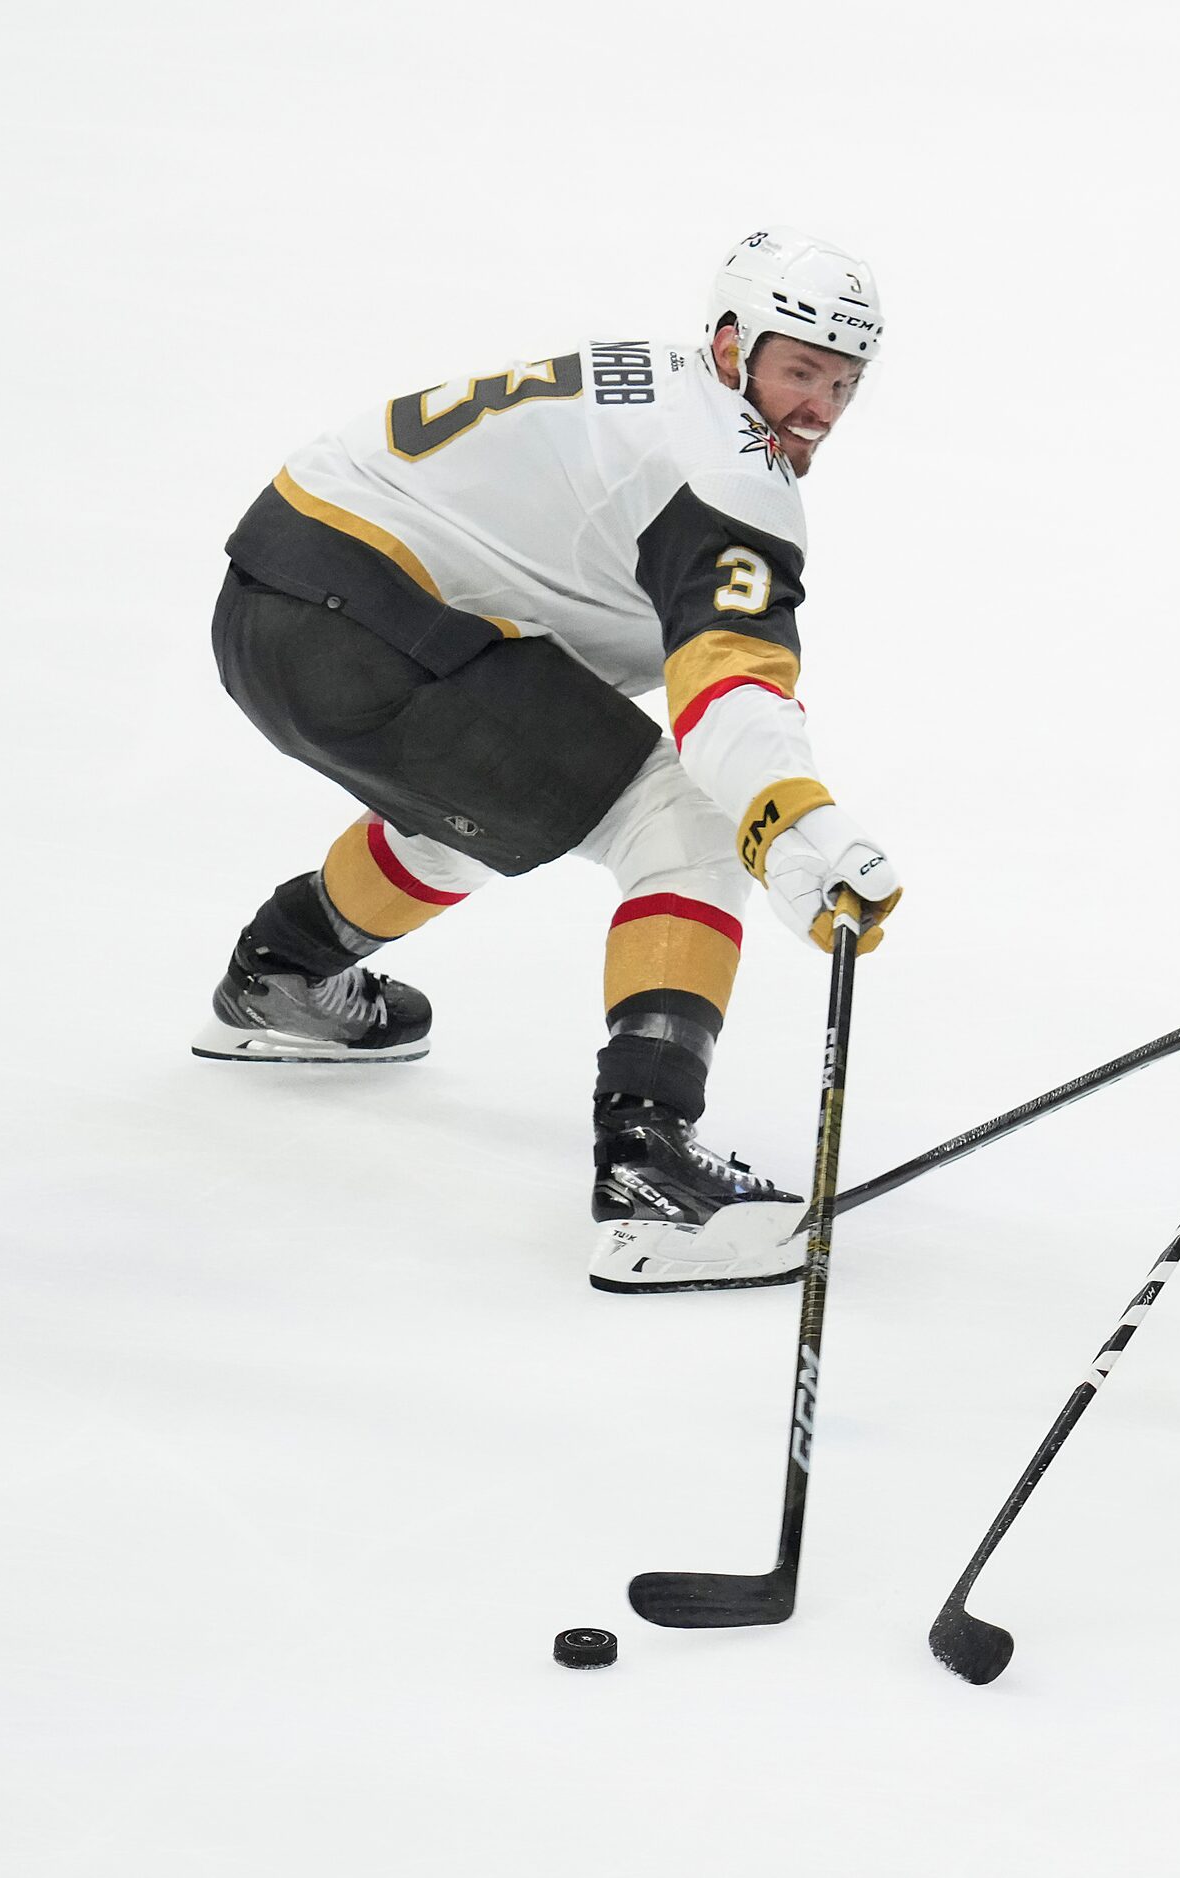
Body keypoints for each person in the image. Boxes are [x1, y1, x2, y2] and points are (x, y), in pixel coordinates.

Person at [195, 231, 902, 1295]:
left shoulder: (646, 380)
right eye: (798, 370)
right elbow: (727, 691)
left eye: (843, 383)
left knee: (494, 790)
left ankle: (281, 972)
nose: (818, 408)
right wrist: (789, 819)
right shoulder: (730, 473)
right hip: (370, 631)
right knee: (686, 832)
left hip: (269, 601)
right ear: (728, 343)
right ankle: (648, 1171)